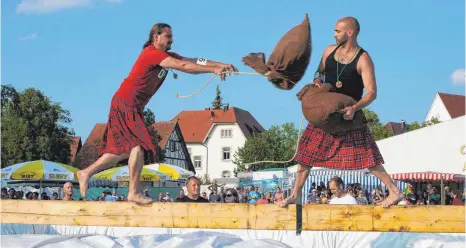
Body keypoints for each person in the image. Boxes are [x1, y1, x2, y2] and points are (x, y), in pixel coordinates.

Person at [77, 23, 237, 205]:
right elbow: (184, 65)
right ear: (156, 37)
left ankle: (86, 172)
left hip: (129, 105)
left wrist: (220, 65)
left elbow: (193, 60)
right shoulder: (152, 54)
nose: (172, 40)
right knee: (139, 147)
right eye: (168, 36)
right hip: (126, 103)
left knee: (121, 152)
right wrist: (213, 70)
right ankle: (134, 192)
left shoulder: (165, 56)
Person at [280, 17, 404, 208]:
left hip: (348, 115)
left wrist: (355, 108)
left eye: (337, 31)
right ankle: (296, 194)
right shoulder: (329, 51)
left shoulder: (363, 59)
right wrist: (318, 82)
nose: (334, 34)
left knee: (369, 157)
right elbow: (319, 73)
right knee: (305, 155)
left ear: (350, 33)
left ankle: (394, 192)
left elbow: (372, 92)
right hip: (325, 114)